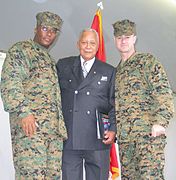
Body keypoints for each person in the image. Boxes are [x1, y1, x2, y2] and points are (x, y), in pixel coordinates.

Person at [0, 11, 67, 179]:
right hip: (31, 130)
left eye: (53, 31)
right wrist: (24, 113)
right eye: (45, 28)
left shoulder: (49, 60)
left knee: (52, 176)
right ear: (36, 29)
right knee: (31, 175)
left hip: (52, 133)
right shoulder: (22, 50)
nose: (49, 34)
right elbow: (10, 82)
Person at [112, 19, 175, 179]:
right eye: (119, 37)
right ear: (115, 41)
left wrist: (160, 122)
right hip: (126, 140)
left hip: (147, 136)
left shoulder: (147, 61)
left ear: (134, 39)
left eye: (127, 36)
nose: (123, 41)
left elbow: (163, 91)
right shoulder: (117, 71)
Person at [56, 28, 116, 180]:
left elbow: (114, 103)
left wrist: (113, 129)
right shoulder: (63, 66)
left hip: (98, 138)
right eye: (84, 42)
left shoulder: (109, 71)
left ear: (98, 46)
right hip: (70, 137)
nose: (88, 46)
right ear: (78, 44)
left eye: (92, 43)